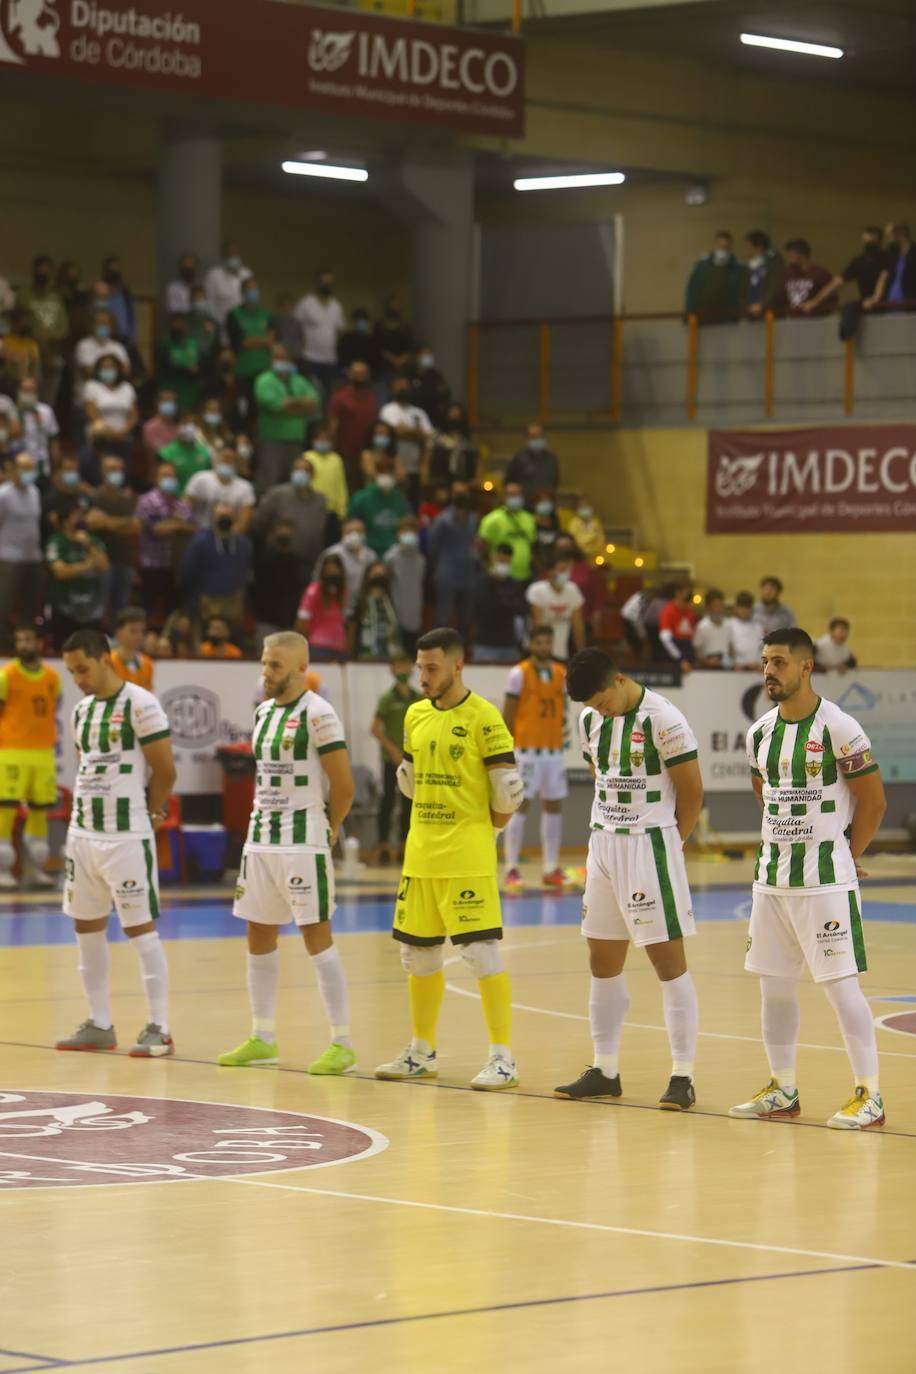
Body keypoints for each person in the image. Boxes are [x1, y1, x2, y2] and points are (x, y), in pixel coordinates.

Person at [729, 629, 887, 1130]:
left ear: (805, 667)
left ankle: (871, 1096)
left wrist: (846, 851)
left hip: (824, 882)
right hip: (771, 881)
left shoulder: (839, 726)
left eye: (778, 662)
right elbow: (765, 790)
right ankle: (783, 1089)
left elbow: (874, 801)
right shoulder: (759, 732)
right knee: (773, 989)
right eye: (764, 663)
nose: (768, 671)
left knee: (842, 990)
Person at [375, 627, 524, 1089]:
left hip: (466, 855)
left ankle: (503, 1059)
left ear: (458, 665)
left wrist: (488, 832)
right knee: (416, 956)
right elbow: (409, 779)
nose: (423, 676)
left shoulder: (484, 717)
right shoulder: (416, 715)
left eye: (432, 668)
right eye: (420, 667)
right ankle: (421, 1051)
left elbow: (507, 791)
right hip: (421, 855)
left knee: (480, 954)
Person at [555, 648, 704, 1109]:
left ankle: (682, 1075)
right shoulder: (589, 721)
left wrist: (670, 846)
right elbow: (599, 774)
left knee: (666, 961)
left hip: (650, 844)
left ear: (619, 679)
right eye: (591, 706)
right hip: (603, 844)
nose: (598, 710)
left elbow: (692, 791)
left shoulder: (664, 719)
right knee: (601, 959)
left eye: (602, 701)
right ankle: (606, 1068)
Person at [218, 632, 357, 1074]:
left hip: (303, 840)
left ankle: (342, 1042)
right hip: (261, 839)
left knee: (316, 935)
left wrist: (328, 829)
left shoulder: (319, 713)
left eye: (275, 666)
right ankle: (262, 1037)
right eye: (264, 663)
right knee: (259, 934)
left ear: (301, 669)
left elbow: (345, 786)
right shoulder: (261, 713)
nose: (266, 673)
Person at [53, 630, 175, 1055]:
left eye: (82, 669)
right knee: (86, 928)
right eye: (71, 672)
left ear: (105, 659)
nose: (78, 679)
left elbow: (165, 770)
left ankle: (160, 1026)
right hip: (82, 836)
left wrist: (154, 813)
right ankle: (99, 1023)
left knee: (139, 930)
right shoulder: (82, 712)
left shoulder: (142, 704)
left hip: (126, 837)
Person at [501, 626, 568, 893]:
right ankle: (511, 868)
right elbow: (508, 714)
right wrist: (507, 749)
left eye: (547, 642)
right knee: (520, 805)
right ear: (531, 644)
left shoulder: (561, 674)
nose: (544, 646)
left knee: (553, 806)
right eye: (539, 642)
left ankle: (551, 868)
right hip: (526, 750)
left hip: (553, 750)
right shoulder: (519, 673)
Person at [0, 624, 60, 889]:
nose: (23, 644)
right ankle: (3, 870)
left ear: (39, 642)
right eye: (19, 639)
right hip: (12, 751)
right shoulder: (7, 675)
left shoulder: (52, 677)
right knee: (6, 810)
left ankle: (35, 869)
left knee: (40, 812)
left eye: (28, 639)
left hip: (43, 752)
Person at [371, 654, 422, 863]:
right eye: (397, 666)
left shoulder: (418, 698)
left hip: (412, 759)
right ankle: (383, 844)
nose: (402, 670)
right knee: (388, 800)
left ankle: (405, 843)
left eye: (405, 666)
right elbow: (375, 729)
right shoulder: (387, 699)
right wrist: (392, 750)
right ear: (392, 670)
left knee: (409, 801)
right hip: (390, 759)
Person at [253, 344, 321, 496]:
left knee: (292, 483)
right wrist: (300, 405)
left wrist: (289, 404)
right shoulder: (264, 380)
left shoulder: (300, 381)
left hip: (296, 438)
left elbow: (314, 404)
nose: (281, 361)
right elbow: (275, 406)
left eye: (284, 357)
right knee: (268, 481)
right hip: (272, 439)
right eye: (277, 357)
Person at [135, 461, 195, 624]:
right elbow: (158, 530)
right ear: (156, 478)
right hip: (152, 564)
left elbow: (193, 528)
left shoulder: (181, 504)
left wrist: (175, 525)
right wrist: (178, 524)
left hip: (175, 565)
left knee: (174, 611)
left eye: (172, 476)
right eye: (165, 475)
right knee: (147, 608)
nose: (170, 479)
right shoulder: (147, 501)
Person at [46, 498, 109, 649]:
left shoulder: (92, 540)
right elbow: (60, 571)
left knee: (92, 652)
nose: (81, 518)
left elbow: (103, 565)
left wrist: (87, 544)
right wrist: (88, 565)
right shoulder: (57, 542)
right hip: (64, 608)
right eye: (76, 515)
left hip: (91, 608)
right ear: (66, 520)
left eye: (82, 514)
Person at [179, 504, 252, 634]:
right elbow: (188, 573)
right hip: (206, 601)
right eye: (221, 516)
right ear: (213, 518)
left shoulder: (243, 543)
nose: (225, 519)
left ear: (235, 518)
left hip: (233, 601)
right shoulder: (200, 542)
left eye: (229, 516)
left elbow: (245, 570)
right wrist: (192, 600)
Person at [253, 454, 328, 577]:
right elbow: (258, 522)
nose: (301, 473)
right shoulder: (277, 494)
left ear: (313, 475)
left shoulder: (321, 500)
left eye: (305, 470)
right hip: (281, 561)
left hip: (310, 562)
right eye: (297, 469)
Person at [86, 454, 139, 620]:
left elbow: (136, 526)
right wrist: (122, 523)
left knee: (121, 607)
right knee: (99, 607)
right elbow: (92, 523)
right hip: (101, 560)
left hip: (125, 559)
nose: (116, 473)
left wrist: (106, 521)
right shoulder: (94, 497)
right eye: (111, 469)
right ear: (102, 472)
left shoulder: (128, 498)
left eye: (119, 469)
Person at [802, 226, 888, 328]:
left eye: (871, 242)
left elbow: (883, 279)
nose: (868, 245)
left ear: (879, 241)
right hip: (867, 306)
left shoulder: (887, 258)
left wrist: (875, 298)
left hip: (887, 306)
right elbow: (837, 283)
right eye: (866, 241)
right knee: (849, 309)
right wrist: (815, 301)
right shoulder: (859, 261)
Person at [0, 453, 44, 650]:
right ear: (13, 469)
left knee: (33, 603)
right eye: (24, 468)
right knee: (4, 603)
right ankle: (3, 643)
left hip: (33, 557)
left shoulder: (35, 492)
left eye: (30, 468)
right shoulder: (4, 494)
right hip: (9, 556)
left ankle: (25, 641)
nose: (28, 473)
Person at [428, 480, 478, 642]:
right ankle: (438, 646)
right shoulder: (443, 520)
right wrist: (438, 568)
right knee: (443, 614)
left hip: (467, 573)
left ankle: (462, 649)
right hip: (447, 573)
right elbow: (433, 547)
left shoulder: (473, 519)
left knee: (466, 616)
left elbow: (474, 542)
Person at [18, 253, 69, 405]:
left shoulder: (56, 296)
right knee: (30, 393)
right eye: (40, 269)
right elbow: (19, 321)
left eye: (46, 269)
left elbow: (64, 326)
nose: (43, 272)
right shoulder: (24, 294)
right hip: (31, 351)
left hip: (53, 351)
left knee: (50, 397)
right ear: (34, 270)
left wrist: (53, 338)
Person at [252, 521, 310, 646]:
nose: (284, 536)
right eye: (281, 533)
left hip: (290, 620)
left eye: (287, 534)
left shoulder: (299, 564)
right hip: (266, 620)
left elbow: (302, 593)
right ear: (273, 535)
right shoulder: (263, 562)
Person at [379, 377, 433, 504]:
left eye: (405, 385)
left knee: (413, 505)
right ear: (393, 388)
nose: (403, 389)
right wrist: (417, 433)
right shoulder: (388, 410)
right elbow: (394, 432)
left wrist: (424, 466)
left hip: (415, 468)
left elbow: (428, 438)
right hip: (393, 467)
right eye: (399, 385)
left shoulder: (419, 413)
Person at [327, 360, 379, 489]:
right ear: (350, 374)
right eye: (356, 373)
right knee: (347, 486)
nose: (359, 376)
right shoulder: (339, 397)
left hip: (368, 452)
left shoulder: (372, 396)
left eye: (362, 373)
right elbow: (333, 425)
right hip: (345, 452)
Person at [526, 552, 586, 662]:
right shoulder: (537, 590)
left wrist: (580, 653)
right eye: (562, 569)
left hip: (561, 652)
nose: (566, 573)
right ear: (550, 572)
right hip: (540, 652)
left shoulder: (573, 590)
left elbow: (578, 625)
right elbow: (538, 624)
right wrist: (541, 651)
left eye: (567, 569)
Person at [294, 268, 346, 394]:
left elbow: (341, 328)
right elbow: (295, 326)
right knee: (310, 393)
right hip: (310, 358)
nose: (327, 285)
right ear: (317, 283)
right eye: (324, 281)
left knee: (329, 394)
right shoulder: (306, 303)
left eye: (329, 282)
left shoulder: (336, 305)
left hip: (330, 359)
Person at [473, 543, 528, 663]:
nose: (503, 564)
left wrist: (504, 603)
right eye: (500, 560)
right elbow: (484, 609)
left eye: (506, 561)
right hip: (485, 644)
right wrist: (508, 602)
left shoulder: (515, 585)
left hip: (509, 645)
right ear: (493, 559)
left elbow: (523, 610)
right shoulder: (482, 583)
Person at [347, 455, 409, 556]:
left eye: (389, 473)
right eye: (382, 472)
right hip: (367, 551)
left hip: (392, 551)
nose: (386, 476)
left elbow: (403, 525)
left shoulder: (399, 498)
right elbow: (350, 524)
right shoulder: (361, 498)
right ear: (375, 473)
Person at [184, 447, 256, 532]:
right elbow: (185, 507)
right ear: (216, 460)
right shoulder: (200, 479)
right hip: (199, 530)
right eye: (224, 458)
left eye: (231, 460)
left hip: (230, 533)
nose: (227, 462)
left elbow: (244, 520)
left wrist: (227, 535)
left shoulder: (245, 487)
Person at [228, 277, 273, 408]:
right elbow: (242, 343)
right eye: (249, 289)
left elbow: (271, 341)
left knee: (261, 407)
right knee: (244, 410)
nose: (253, 292)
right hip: (243, 371)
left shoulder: (266, 315)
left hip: (264, 371)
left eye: (255, 289)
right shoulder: (234, 315)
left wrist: (252, 339)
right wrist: (262, 340)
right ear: (242, 293)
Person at [384, 515, 426, 656]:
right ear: (398, 533)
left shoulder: (421, 559)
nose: (409, 535)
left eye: (413, 531)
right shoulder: (391, 557)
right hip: (395, 617)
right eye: (405, 531)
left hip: (414, 617)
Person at [684, 231, 747, 324]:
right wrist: (689, 313)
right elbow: (692, 290)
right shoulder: (702, 266)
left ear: (731, 247)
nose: (723, 251)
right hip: (703, 317)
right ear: (715, 245)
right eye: (720, 247)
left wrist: (739, 314)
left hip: (727, 318)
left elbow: (742, 293)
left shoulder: (737, 269)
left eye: (726, 247)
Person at [478, 482, 536, 582]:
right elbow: (482, 548)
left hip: (525, 575)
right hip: (501, 575)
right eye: (511, 495)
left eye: (518, 494)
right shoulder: (492, 520)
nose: (515, 498)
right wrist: (488, 569)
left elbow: (531, 545)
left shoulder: (529, 519)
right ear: (504, 497)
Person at [296, 554, 348, 661]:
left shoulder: (343, 593)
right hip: (318, 647)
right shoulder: (313, 591)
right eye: (329, 569)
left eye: (335, 569)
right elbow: (301, 621)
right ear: (323, 571)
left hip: (339, 647)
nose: (332, 572)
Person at [74, 311, 130, 410]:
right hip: (87, 401)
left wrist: (101, 370)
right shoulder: (84, 345)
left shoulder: (118, 347)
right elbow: (88, 372)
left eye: (105, 323)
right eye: (99, 323)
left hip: (114, 403)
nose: (102, 326)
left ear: (111, 326)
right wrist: (114, 371)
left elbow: (126, 371)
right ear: (92, 325)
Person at [314, 517, 376, 604]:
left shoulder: (371, 555)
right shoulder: (331, 554)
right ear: (342, 533)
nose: (354, 535)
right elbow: (317, 581)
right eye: (349, 531)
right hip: (335, 605)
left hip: (361, 605)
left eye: (358, 531)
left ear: (364, 533)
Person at [348, 561, 402, 660]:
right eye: (376, 574)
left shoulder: (389, 600)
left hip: (391, 656)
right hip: (365, 656)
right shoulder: (359, 600)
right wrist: (350, 654)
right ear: (368, 576)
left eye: (382, 574)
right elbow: (352, 627)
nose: (379, 577)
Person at [9, 376, 60, 479]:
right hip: (19, 468)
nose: (28, 394)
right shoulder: (11, 413)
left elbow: (53, 438)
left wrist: (56, 464)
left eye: (32, 390)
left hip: (42, 466)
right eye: (25, 390)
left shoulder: (46, 411)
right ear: (18, 391)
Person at [155, 312, 202, 413]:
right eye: (175, 324)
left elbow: (201, 364)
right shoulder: (164, 344)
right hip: (170, 387)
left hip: (190, 389)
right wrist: (186, 368)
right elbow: (165, 365)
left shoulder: (193, 344)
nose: (178, 326)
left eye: (181, 324)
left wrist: (197, 369)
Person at [204, 241, 253, 334]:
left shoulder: (247, 274)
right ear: (224, 256)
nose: (233, 257)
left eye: (235, 253)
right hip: (221, 325)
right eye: (229, 254)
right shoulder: (214, 275)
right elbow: (209, 302)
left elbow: (252, 298)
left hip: (243, 324)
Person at [304, 424, 348, 524]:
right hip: (311, 507)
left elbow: (341, 485)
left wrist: (342, 510)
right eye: (320, 439)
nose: (323, 442)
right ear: (313, 441)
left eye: (326, 439)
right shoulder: (307, 457)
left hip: (331, 509)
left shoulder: (336, 459)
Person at [505, 423, 560, 504]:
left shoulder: (551, 459)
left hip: (545, 505)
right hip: (525, 506)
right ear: (527, 438)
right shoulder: (519, 458)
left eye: (539, 436)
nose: (536, 439)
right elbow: (509, 482)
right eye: (533, 436)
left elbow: (555, 482)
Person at [158, 413, 211, 493]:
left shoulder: (204, 452)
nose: (189, 427)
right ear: (178, 426)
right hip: (175, 499)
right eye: (185, 423)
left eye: (193, 424)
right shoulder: (167, 453)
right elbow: (161, 481)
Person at [782, 239, 836, 317]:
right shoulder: (788, 274)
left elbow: (832, 297)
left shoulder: (820, 273)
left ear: (802, 255)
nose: (789, 258)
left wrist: (816, 305)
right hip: (793, 319)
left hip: (815, 320)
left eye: (791, 255)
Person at [428, 403, 478, 486]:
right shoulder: (437, 437)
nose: (455, 419)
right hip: (440, 479)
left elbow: (477, 460)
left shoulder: (468, 440)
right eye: (452, 416)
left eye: (457, 417)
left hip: (464, 480)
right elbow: (429, 456)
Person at [374, 295, 415, 384]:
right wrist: (392, 359)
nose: (395, 307)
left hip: (402, 367)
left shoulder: (405, 327)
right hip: (384, 367)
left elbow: (410, 346)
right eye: (393, 305)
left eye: (397, 305)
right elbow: (377, 346)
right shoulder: (380, 326)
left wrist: (401, 359)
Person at [111, 606, 154, 690]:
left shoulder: (147, 664)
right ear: (119, 632)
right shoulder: (108, 662)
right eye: (133, 631)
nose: (139, 636)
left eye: (142, 631)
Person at [745, 230, 786, 319]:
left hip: (769, 310)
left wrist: (762, 303)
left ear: (758, 247)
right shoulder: (752, 263)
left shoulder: (773, 260)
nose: (747, 249)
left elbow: (776, 285)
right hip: (752, 310)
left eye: (748, 246)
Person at [408, 344, 450, 428]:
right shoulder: (409, 374)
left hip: (433, 415)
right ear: (417, 356)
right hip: (414, 415)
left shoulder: (436, 375)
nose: (427, 357)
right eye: (424, 354)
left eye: (429, 354)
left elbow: (445, 392)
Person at [658, 582, 698, 669]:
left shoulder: (690, 613)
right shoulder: (668, 611)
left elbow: (692, 636)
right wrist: (680, 658)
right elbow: (665, 639)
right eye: (687, 592)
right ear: (678, 593)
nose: (690, 595)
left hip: (688, 654)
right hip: (673, 656)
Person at [100, 256, 136, 345]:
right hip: (105, 337)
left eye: (116, 270)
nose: (114, 273)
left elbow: (131, 317)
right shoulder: (100, 290)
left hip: (124, 338)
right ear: (106, 271)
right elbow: (97, 315)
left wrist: (132, 338)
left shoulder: (125, 292)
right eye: (111, 270)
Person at [142, 389, 179, 474]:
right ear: (158, 403)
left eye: (172, 401)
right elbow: (162, 453)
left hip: (177, 473)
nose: (170, 404)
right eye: (166, 401)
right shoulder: (150, 427)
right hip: (158, 473)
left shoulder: (177, 427)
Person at [360, 420, 405, 486]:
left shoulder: (393, 454)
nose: (381, 436)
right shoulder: (367, 454)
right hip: (373, 490)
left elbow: (401, 474)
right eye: (378, 433)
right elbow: (371, 474)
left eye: (384, 433)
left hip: (392, 490)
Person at [693, 589, 730, 668]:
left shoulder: (729, 624)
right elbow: (696, 650)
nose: (719, 608)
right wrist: (707, 661)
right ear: (708, 607)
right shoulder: (702, 626)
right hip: (707, 668)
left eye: (721, 604)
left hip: (727, 668)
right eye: (715, 605)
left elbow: (732, 648)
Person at [882, 223, 916, 311]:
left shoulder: (913, 253)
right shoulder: (893, 254)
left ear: (900, 235)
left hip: (909, 300)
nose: (888, 239)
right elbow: (884, 276)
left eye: (890, 236)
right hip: (891, 299)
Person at [337, 306, 379, 373]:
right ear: (353, 321)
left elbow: (375, 361)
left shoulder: (371, 340)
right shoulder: (346, 339)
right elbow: (341, 360)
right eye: (358, 319)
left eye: (364, 319)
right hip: (348, 374)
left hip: (367, 375)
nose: (361, 322)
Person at [728, 590, 763, 669]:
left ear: (751, 608)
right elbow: (728, 648)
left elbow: (761, 648)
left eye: (747, 608)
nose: (744, 611)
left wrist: (759, 664)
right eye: (741, 608)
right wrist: (734, 663)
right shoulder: (729, 625)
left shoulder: (758, 626)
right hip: (737, 668)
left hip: (756, 667)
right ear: (736, 608)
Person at [568, 496, 604, 560]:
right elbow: (573, 540)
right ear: (577, 509)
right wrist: (590, 538)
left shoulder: (596, 522)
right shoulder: (574, 523)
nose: (585, 509)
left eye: (587, 506)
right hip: (579, 555)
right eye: (582, 507)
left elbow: (601, 539)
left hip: (595, 555)